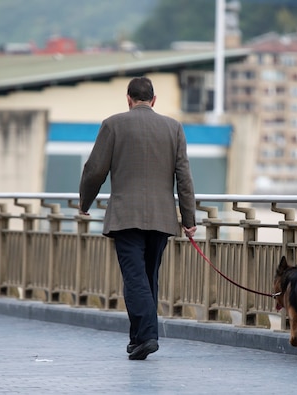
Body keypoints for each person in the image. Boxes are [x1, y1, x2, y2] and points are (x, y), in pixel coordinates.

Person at [78, 76, 197, 360]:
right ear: (153, 100)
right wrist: (189, 218)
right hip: (161, 217)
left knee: (134, 279)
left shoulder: (113, 124)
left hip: (126, 217)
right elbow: (184, 177)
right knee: (147, 278)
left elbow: (95, 169)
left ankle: (146, 336)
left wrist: (85, 202)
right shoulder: (174, 128)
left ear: (128, 99)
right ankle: (138, 339)